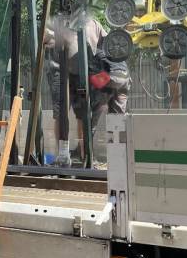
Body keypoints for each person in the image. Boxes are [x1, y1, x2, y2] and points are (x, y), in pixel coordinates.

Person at [45, 14, 129, 166]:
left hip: (85, 72)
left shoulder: (93, 23)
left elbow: (108, 42)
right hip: (60, 69)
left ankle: (86, 155)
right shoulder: (58, 22)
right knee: (61, 112)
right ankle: (63, 153)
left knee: (84, 113)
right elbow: (45, 38)